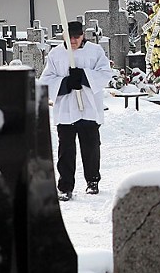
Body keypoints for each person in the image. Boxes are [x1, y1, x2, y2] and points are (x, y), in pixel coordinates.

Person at [39, 21, 113, 201]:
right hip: (66, 109)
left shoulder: (95, 51)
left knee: (91, 147)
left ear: (83, 35)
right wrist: (65, 83)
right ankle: (65, 186)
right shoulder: (56, 54)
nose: (73, 41)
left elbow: (105, 74)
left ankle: (92, 181)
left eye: (77, 37)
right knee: (66, 150)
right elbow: (46, 80)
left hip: (88, 107)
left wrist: (84, 76)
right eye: (69, 37)